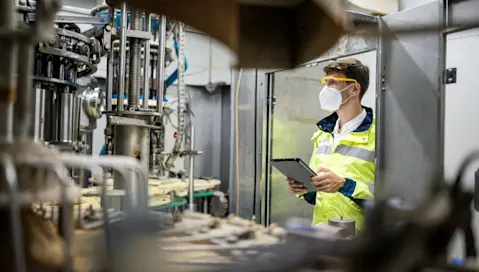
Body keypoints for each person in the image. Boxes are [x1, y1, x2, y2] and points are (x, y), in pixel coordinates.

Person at [285, 58, 375, 230]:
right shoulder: (323, 133)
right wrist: (305, 189)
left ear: (354, 88)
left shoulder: (380, 133)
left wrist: (344, 185)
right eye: (325, 82)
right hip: (323, 234)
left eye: (333, 82)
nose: (326, 89)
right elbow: (318, 193)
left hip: (360, 241)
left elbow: (393, 197)